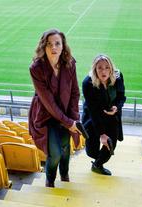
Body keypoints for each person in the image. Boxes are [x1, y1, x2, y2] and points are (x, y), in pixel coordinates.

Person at [28, 28, 81, 187]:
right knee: (56, 154)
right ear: (43, 47)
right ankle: (49, 181)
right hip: (46, 116)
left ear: (63, 46)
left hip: (65, 114)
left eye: (57, 43)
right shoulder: (36, 68)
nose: (54, 47)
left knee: (65, 149)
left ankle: (64, 175)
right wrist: (69, 123)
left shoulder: (70, 63)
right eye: (49, 44)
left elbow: (74, 92)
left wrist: (73, 118)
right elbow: (49, 103)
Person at [81, 54, 126, 176]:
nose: (103, 71)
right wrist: (102, 134)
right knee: (91, 152)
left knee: (111, 145)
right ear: (95, 69)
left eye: (107, 67)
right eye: (100, 68)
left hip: (112, 117)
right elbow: (93, 111)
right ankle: (94, 156)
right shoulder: (88, 83)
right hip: (93, 117)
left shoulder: (118, 77)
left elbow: (122, 97)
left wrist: (116, 107)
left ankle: (97, 165)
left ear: (111, 68)